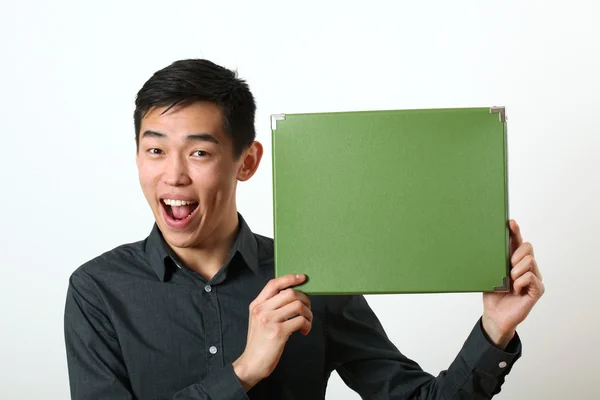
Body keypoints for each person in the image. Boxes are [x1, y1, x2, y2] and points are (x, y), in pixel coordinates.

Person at [63, 59, 545, 400]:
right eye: (155, 150)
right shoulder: (99, 291)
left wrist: (495, 330)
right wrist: (245, 371)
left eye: (199, 152)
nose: (173, 175)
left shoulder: (313, 278)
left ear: (247, 162)